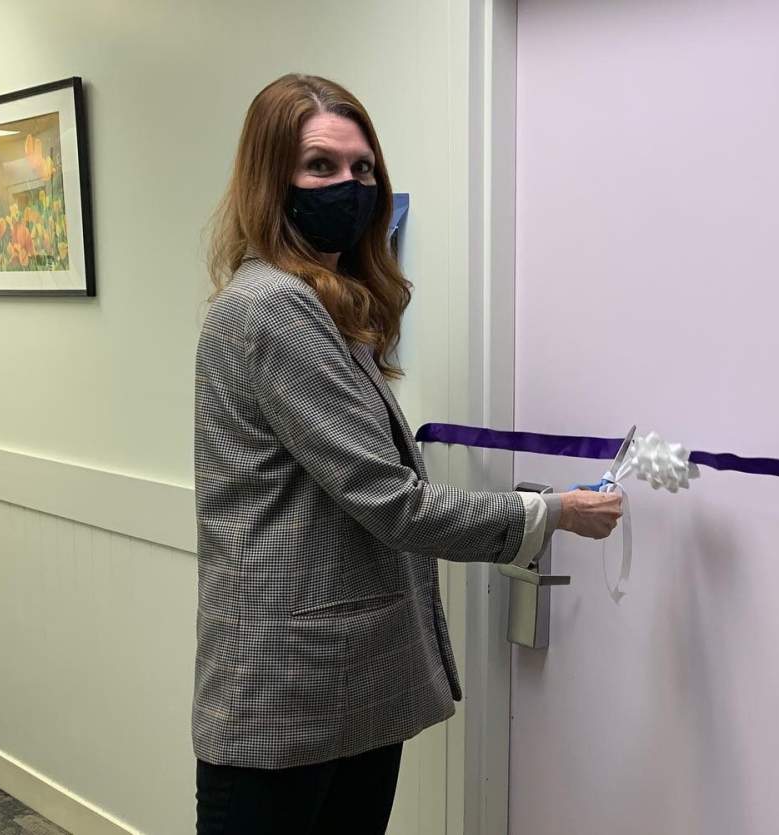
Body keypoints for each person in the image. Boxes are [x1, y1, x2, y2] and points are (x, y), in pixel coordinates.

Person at [193, 73, 622, 834]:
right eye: (320, 166)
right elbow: (391, 500)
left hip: (347, 688)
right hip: (285, 696)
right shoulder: (272, 309)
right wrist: (550, 512)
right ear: (270, 178)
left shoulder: (322, 304)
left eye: (363, 170)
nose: (349, 186)